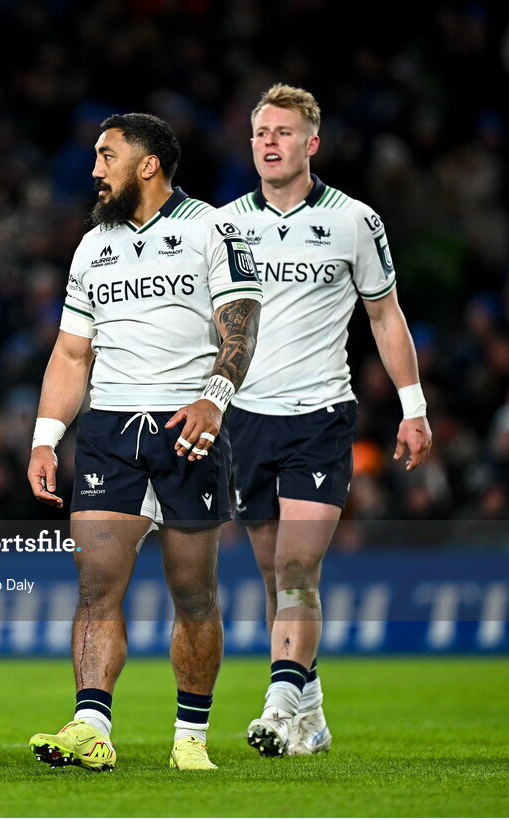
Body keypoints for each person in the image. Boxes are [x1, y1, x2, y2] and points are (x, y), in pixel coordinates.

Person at [27, 113, 263, 772]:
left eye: (108, 156)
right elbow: (72, 355)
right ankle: (90, 725)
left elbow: (240, 327)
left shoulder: (213, 228)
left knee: (193, 592)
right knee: (96, 588)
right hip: (109, 431)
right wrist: (47, 438)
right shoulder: (91, 246)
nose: (96, 169)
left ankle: (190, 738)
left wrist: (213, 400)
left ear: (149, 164)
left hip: (186, 428)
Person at [222, 84, 432, 757]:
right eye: (261, 133)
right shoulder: (223, 225)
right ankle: (311, 712)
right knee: (267, 571)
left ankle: (279, 707)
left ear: (312, 142)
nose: (271, 143)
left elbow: (384, 314)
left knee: (295, 567)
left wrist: (414, 406)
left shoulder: (355, 221)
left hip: (320, 416)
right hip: (245, 419)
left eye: (284, 132)